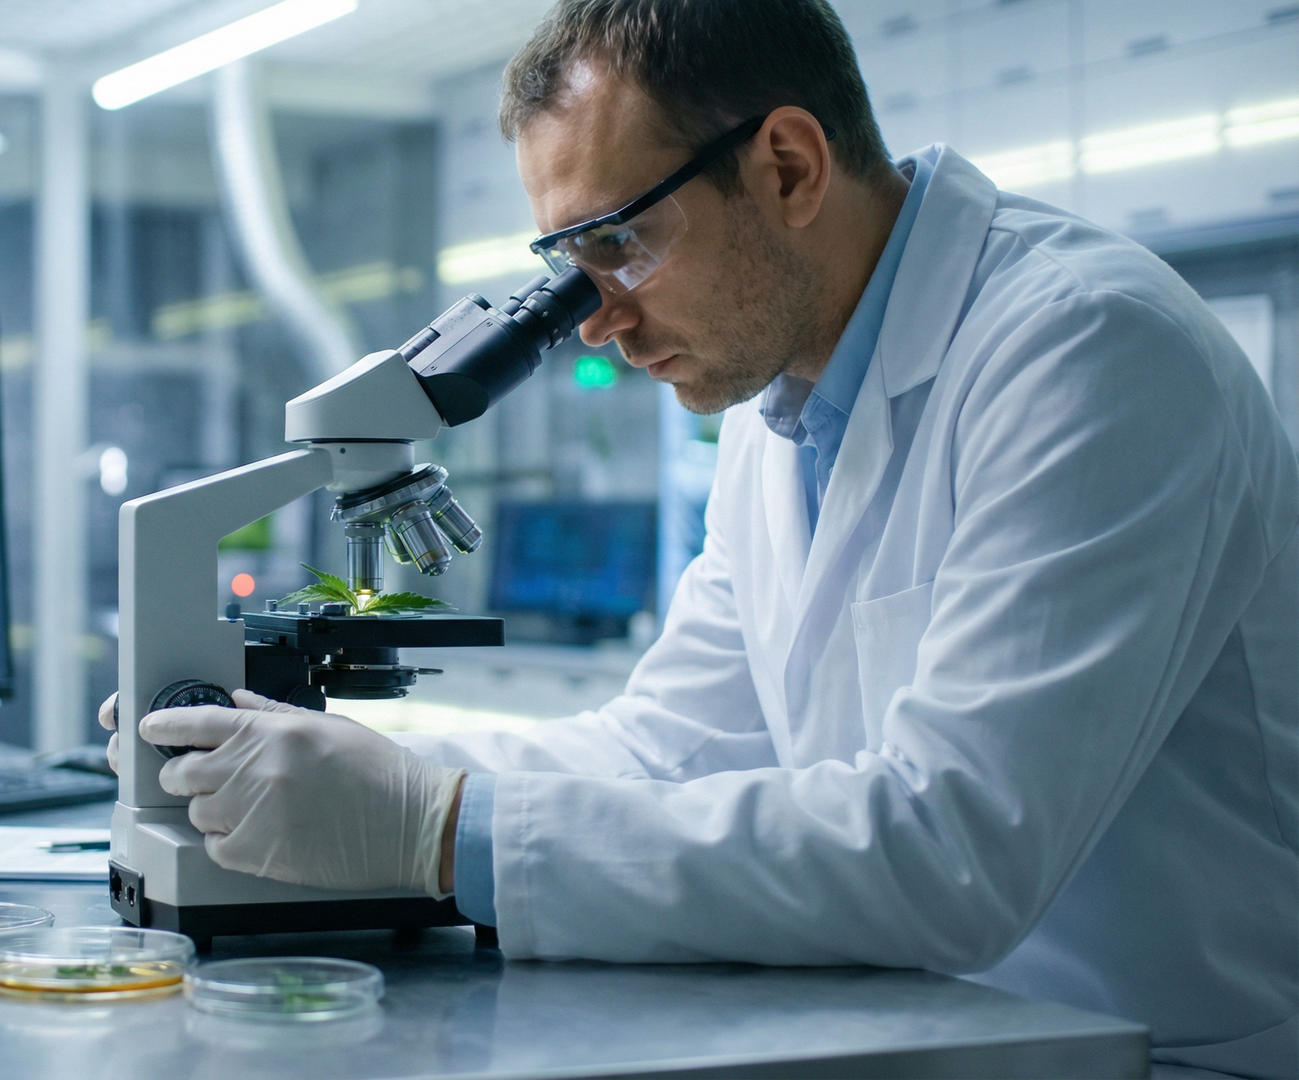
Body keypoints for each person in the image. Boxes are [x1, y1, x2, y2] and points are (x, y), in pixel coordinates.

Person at [101, 1, 1298, 1073]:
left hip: (1157, 1049)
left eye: (618, 244)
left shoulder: (1088, 352)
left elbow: (951, 849)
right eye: (568, 267)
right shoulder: (780, 409)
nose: (594, 322)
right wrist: (317, 765)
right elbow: (671, 751)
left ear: (785, 165)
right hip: (928, 1026)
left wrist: (435, 828)